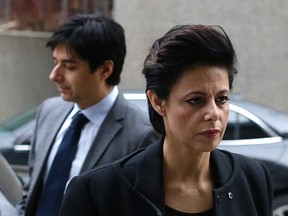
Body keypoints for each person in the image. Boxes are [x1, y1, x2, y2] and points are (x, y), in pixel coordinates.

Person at [59, 24, 273, 216]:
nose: (214, 113)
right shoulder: (98, 192)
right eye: (196, 100)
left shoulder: (253, 178)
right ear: (158, 102)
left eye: (222, 99)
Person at [17, 14, 159, 216]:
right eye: (55, 62)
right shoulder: (48, 111)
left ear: (105, 69)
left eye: (69, 66)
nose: (54, 75)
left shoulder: (142, 135)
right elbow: (30, 194)